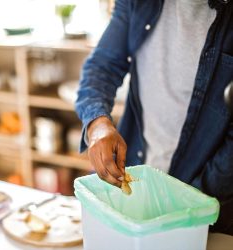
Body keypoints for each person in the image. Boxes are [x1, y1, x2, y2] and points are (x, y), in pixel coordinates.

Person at [75, 0, 233, 234]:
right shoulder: (137, 3)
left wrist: (187, 199)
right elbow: (102, 66)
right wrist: (98, 125)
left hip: (202, 204)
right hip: (132, 189)